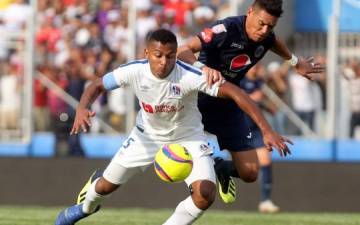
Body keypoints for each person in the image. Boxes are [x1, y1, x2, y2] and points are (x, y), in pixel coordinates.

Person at [54, 29, 291, 225]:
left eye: (170, 56)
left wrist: (267, 130)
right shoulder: (133, 71)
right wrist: (83, 108)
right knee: (105, 187)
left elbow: (236, 93)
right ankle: (84, 209)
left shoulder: (189, 75)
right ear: (147, 53)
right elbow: (96, 85)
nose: (164, 62)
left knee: (205, 195)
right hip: (145, 138)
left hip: (188, 138)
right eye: (158, 55)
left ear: (176, 55)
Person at [177, 0, 324, 203]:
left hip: (228, 105)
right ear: (249, 12)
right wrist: (201, 68)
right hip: (198, 101)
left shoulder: (267, 37)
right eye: (261, 23)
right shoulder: (225, 29)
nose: (264, 30)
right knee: (193, 175)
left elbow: (274, 41)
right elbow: (183, 49)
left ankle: (220, 167)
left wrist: (296, 62)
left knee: (250, 172)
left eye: (270, 26)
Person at [240, 64, 279, 213]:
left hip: (255, 129)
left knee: (266, 161)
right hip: (240, 128)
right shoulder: (240, 80)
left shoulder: (259, 82)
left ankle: (265, 201)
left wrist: (267, 107)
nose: (256, 68)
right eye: (253, 65)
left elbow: (257, 103)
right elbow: (237, 98)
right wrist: (252, 98)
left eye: (258, 65)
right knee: (245, 168)